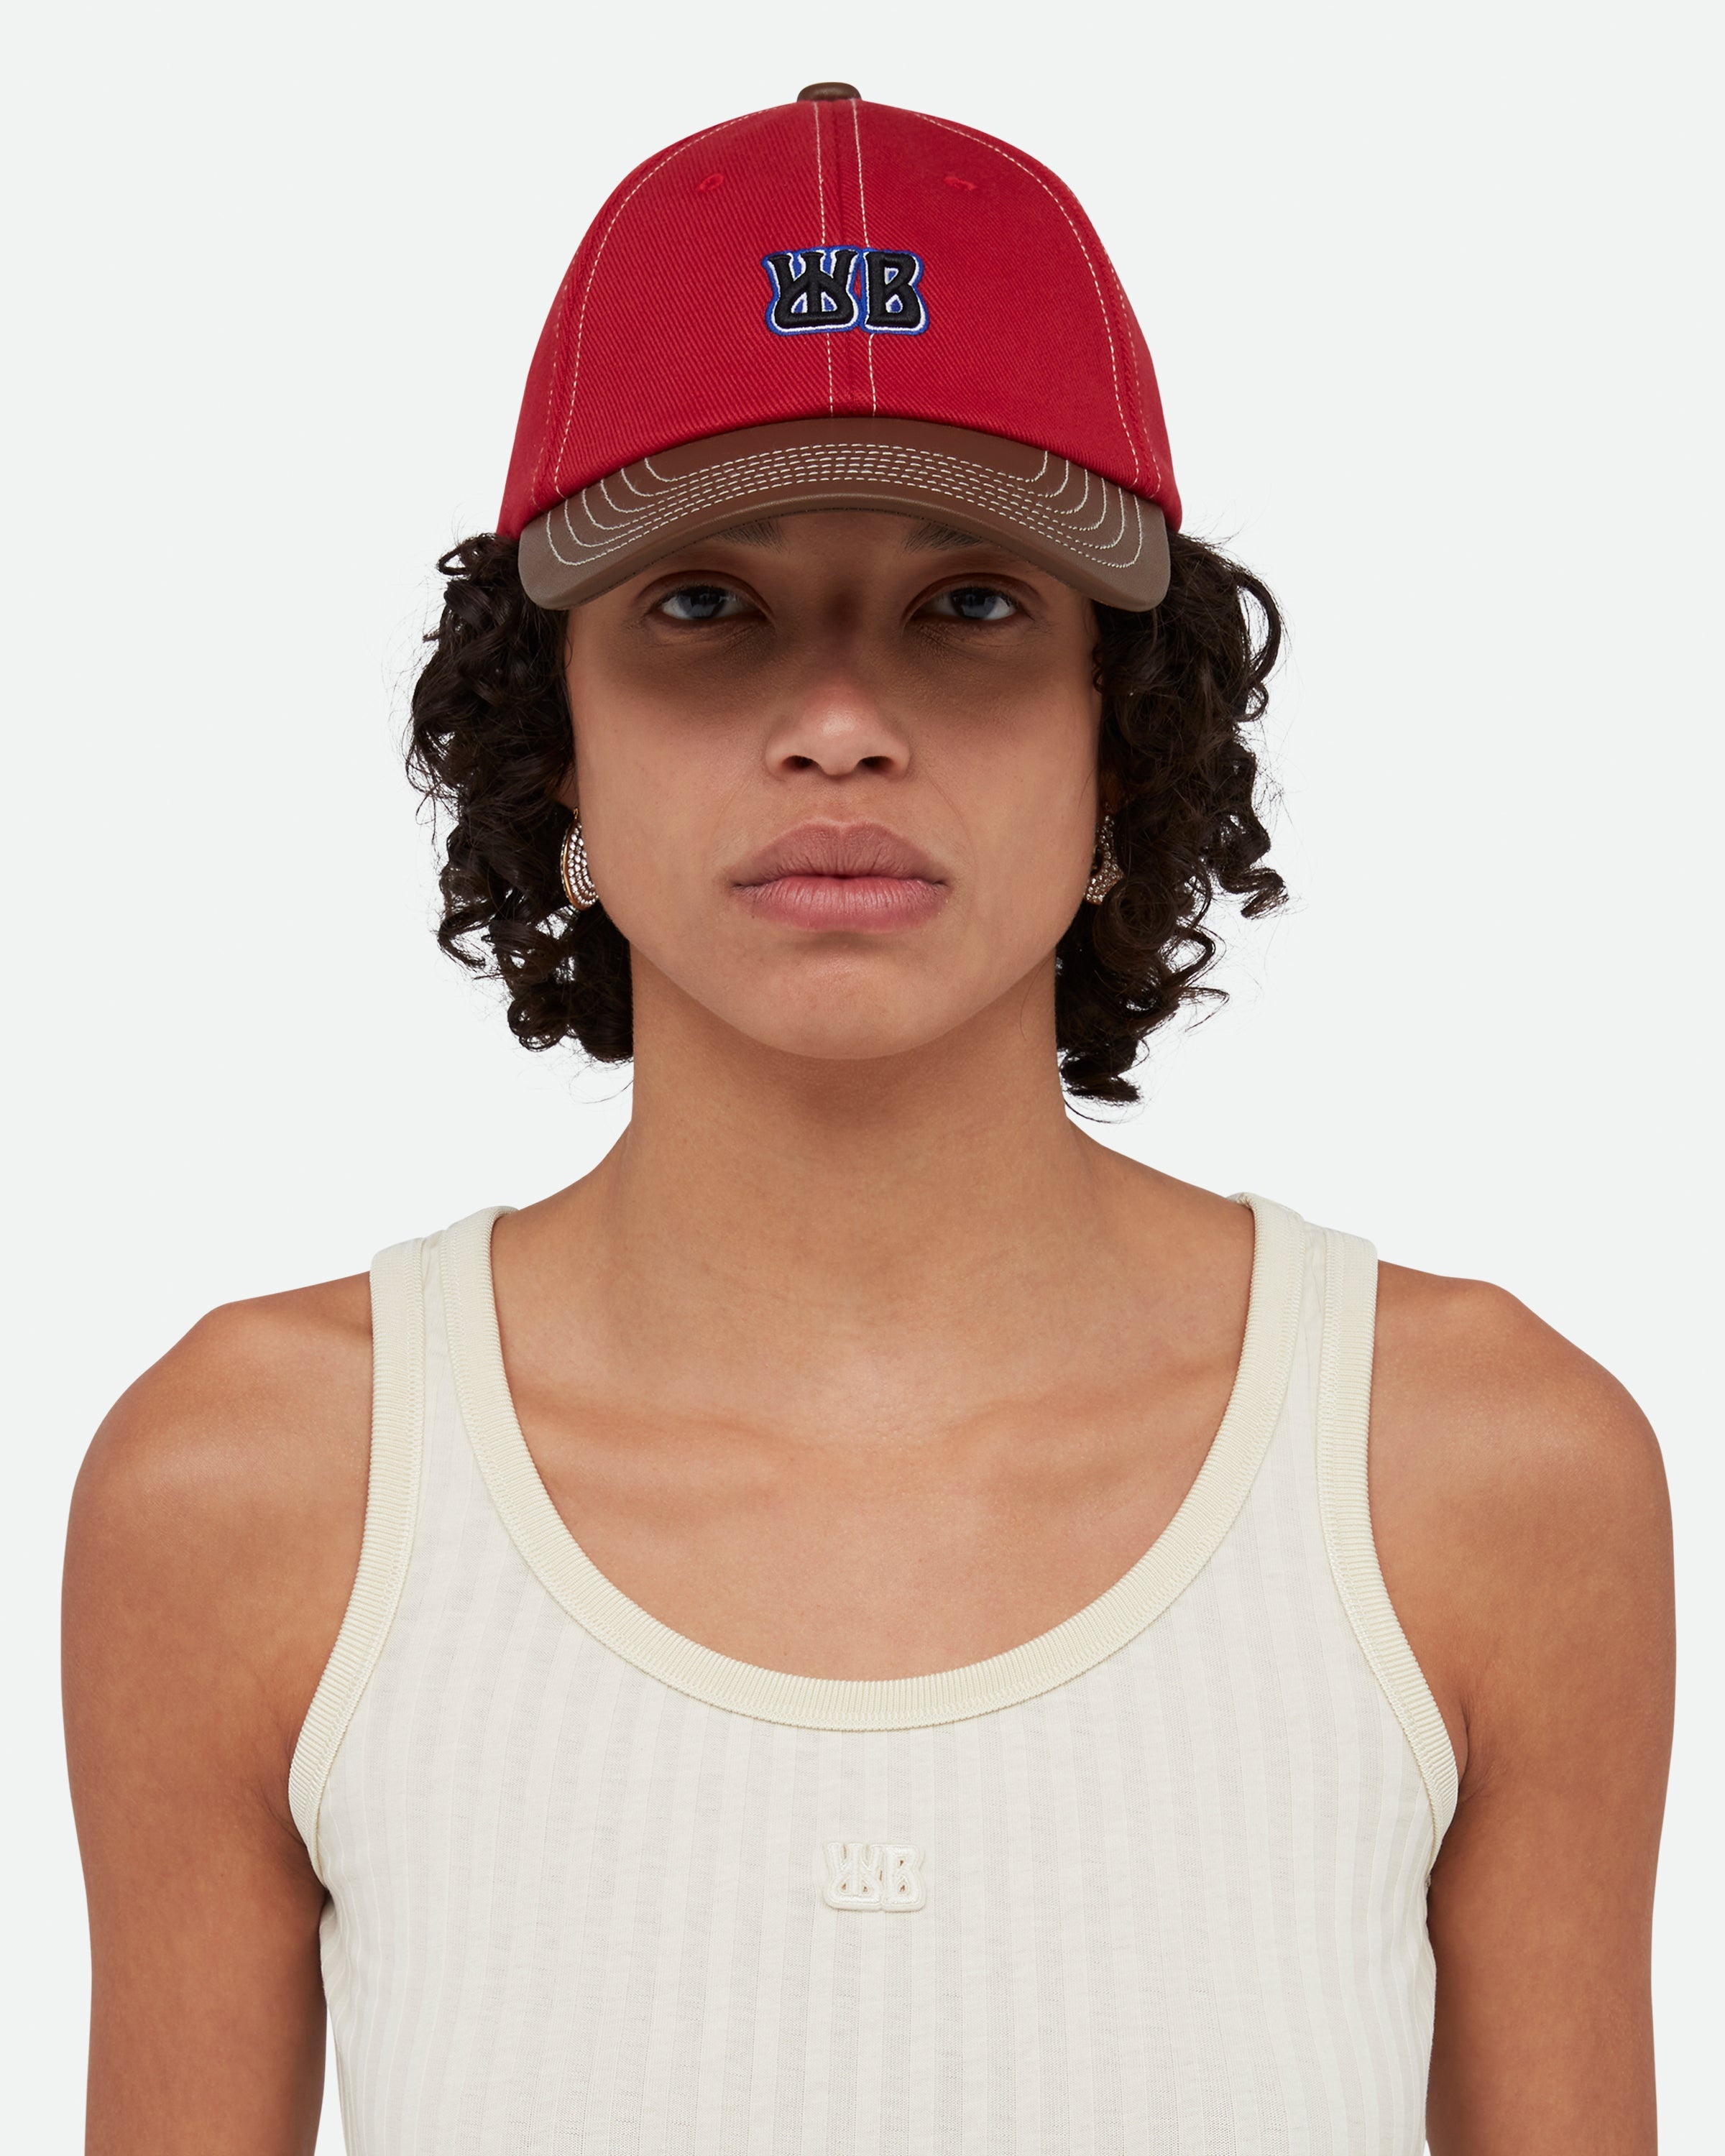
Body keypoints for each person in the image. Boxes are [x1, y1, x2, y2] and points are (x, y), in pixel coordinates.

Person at [63, 83, 1673, 2156]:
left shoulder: (1483, 1480)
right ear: (551, 734)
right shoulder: (253, 1493)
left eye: (972, 603)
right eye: (705, 605)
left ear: (1125, 725)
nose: (839, 723)